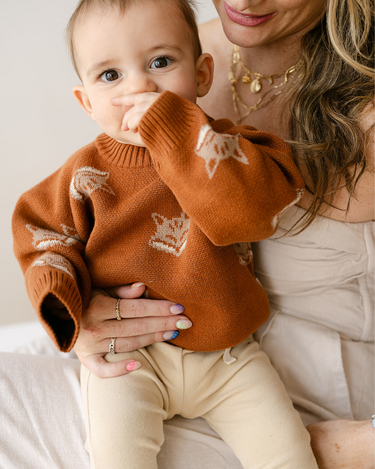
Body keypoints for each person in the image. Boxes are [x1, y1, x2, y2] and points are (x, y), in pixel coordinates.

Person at [12, 0, 321, 468]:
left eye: (160, 62)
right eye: (110, 76)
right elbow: (42, 235)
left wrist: (174, 129)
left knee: (289, 456)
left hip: (229, 356)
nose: (139, 87)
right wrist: (65, 306)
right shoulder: (85, 175)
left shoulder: (229, 149)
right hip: (130, 359)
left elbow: (250, 214)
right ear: (86, 101)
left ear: (201, 74)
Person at [68, 0, 374, 468]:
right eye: (112, 76)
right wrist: (79, 311)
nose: (245, 1)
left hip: (306, 406)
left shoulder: (176, 68)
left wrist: (356, 448)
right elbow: (61, 222)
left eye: (160, 64)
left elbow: (241, 211)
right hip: (154, 363)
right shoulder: (164, 41)